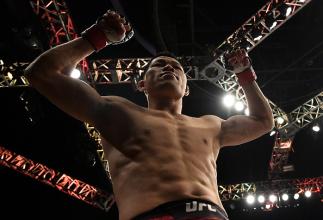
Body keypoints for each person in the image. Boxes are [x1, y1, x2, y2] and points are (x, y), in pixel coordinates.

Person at [24, 9, 274, 220]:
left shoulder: (211, 125)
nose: (168, 68)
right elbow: (42, 73)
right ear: (142, 84)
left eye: (176, 67)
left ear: (187, 88)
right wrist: (97, 37)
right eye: (158, 66)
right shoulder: (117, 112)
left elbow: (262, 122)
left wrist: (245, 75)